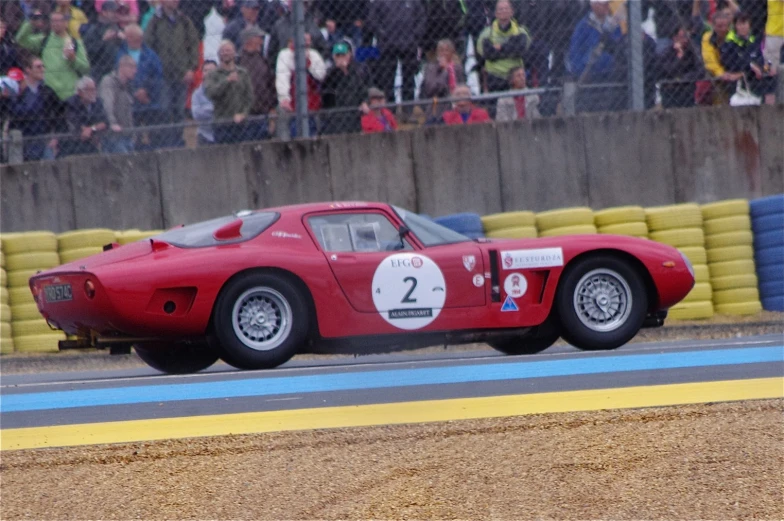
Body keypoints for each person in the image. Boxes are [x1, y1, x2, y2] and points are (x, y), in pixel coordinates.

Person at [143, 0, 200, 148]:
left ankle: (178, 140)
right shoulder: (155, 21)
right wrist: (154, 70)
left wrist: (191, 68)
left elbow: (194, 44)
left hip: (182, 74)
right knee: (165, 109)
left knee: (179, 111)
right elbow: (148, 46)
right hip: (162, 77)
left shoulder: (184, 20)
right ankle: (165, 142)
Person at [366, 0, 425, 117]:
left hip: (409, 46)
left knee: (409, 79)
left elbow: (421, 18)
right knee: (387, 79)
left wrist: (415, 36)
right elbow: (372, 20)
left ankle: (408, 111)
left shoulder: (414, 2)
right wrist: (383, 35)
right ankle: (390, 111)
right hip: (387, 47)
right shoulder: (380, 2)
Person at [16, 11, 91, 102]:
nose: (55, 23)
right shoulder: (44, 40)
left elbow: (86, 68)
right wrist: (30, 23)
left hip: (70, 94)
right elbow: (21, 40)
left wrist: (73, 59)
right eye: (53, 21)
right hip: (49, 95)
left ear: (66, 23)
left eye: (58, 20)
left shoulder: (75, 42)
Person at [568, 0, 625, 112]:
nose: (607, 6)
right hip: (590, 80)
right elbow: (575, 56)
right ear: (593, 5)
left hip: (610, 78)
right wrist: (583, 71)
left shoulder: (613, 26)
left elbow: (620, 49)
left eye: (607, 4)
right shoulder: (583, 27)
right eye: (603, 4)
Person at [116, 23, 165, 149]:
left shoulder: (151, 55)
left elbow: (158, 77)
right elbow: (118, 77)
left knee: (155, 136)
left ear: (139, 38)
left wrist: (146, 91)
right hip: (130, 103)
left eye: (130, 36)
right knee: (134, 136)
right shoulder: (120, 54)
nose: (127, 39)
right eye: (127, 36)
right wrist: (135, 92)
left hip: (150, 102)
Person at [9, 56, 60, 161]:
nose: (42, 69)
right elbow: (16, 113)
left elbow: (58, 114)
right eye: (38, 67)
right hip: (24, 140)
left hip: (44, 139)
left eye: (43, 66)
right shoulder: (18, 90)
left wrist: (55, 137)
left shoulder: (46, 91)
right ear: (28, 69)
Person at [204, 40, 255, 144]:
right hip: (221, 123)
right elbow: (210, 93)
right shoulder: (213, 74)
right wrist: (226, 81)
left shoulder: (243, 73)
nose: (225, 53)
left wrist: (243, 114)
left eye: (228, 50)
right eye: (223, 51)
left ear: (234, 53)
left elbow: (249, 98)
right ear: (218, 54)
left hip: (241, 124)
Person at [275, 33, 326, 137]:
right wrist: (284, 97)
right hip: (293, 104)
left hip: (312, 103)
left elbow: (321, 75)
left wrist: (309, 63)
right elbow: (282, 77)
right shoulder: (285, 55)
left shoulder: (313, 55)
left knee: (313, 132)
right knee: (294, 133)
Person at [721, 11, 777, 104]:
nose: (743, 27)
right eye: (739, 24)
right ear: (735, 26)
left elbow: (763, 60)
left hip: (757, 76)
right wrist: (751, 66)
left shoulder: (755, 42)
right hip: (740, 78)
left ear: (749, 24)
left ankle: (769, 108)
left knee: (770, 75)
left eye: (745, 23)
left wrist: (766, 68)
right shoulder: (729, 43)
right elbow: (731, 63)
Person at [476, 0, 532, 93]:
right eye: (500, 9)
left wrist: (500, 48)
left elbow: (520, 51)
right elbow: (487, 54)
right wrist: (510, 48)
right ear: (495, 13)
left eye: (506, 8)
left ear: (512, 12)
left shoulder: (521, 31)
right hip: (494, 76)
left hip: (516, 75)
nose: (503, 11)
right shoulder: (487, 33)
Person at [321, 41, 370, 135]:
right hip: (335, 117)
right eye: (338, 55)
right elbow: (327, 94)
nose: (340, 58)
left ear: (349, 55)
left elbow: (362, 89)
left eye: (343, 55)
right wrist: (338, 71)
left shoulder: (358, 69)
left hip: (354, 114)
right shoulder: (331, 73)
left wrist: (364, 102)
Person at [238, 26, 276, 136]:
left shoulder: (262, 59)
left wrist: (272, 106)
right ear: (250, 39)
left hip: (263, 111)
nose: (261, 41)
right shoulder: (239, 60)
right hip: (246, 113)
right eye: (259, 38)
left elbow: (270, 83)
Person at [702, 8, 743, 104]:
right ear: (713, 26)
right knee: (715, 83)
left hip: (735, 69)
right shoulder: (708, 37)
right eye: (720, 26)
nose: (724, 29)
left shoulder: (734, 36)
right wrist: (721, 73)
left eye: (726, 26)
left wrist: (738, 73)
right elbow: (709, 59)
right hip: (718, 72)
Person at [657, 25, 704, 107]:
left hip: (687, 88)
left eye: (688, 37)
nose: (686, 40)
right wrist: (679, 56)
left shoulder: (693, 50)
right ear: (675, 38)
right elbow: (670, 71)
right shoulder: (667, 52)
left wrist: (684, 78)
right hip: (670, 90)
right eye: (682, 37)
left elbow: (700, 70)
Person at [80, 0, 125, 82]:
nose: (115, 14)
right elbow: (88, 52)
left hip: (115, 71)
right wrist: (103, 40)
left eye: (116, 12)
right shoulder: (93, 30)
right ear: (104, 12)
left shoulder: (118, 29)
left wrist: (124, 40)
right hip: (98, 72)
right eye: (113, 11)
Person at [99, 55, 136, 153]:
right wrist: (112, 123)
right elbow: (107, 104)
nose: (135, 71)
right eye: (132, 67)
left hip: (127, 133)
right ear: (122, 66)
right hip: (114, 135)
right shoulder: (109, 82)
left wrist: (132, 133)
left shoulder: (128, 86)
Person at [63, 76, 108, 156]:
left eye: (94, 89)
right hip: (72, 143)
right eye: (90, 90)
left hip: (92, 142)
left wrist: (91, 129)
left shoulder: (97, 102)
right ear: (80, 92)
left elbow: (105, 122)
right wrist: (91, 128)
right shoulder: (70, 103)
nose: (94, 92)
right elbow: (76, 125)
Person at [420, 38, 465, 121]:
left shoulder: (458, 68)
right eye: (441, 50)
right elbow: (431, 89)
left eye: (447, 50)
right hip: (438, 105)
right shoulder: (431, 68)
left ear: (452, 52)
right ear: (437, 53)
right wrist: (445, 71)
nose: (443, 53)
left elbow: (462, 86)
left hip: (456, 102)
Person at [191, 60, 217, 145]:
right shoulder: (196, 94)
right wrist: (214, 109)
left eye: (211, 70)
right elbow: (196, 114)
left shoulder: (224, 89)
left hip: (221, 132)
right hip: (204, 135)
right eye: (205, 70)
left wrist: (205, 109)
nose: (208, 73)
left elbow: (227, 110)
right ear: (202, 73)